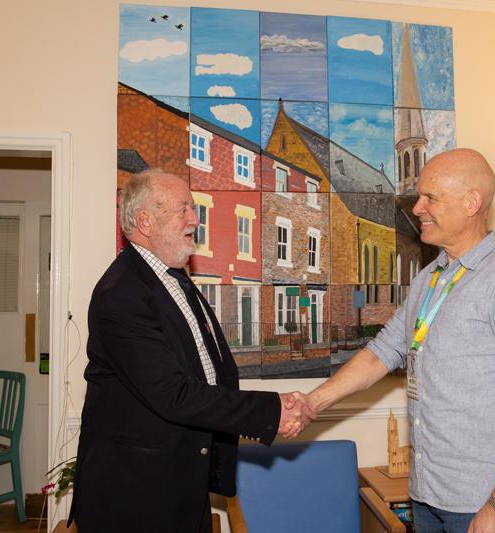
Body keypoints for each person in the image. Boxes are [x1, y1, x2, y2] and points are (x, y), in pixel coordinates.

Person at [307, 148, 495, 533]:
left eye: (430, 197)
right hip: (428, 496)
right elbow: (382, 352)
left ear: (471, 203)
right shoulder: (429, 278)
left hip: (484, 502)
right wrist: (312, 403)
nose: (417, 209)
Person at [69, 170, 314, 533]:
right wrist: (272, 410)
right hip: (135, 497)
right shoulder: (121, 294)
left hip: (182, 482)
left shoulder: (174, 277)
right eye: (183, 208)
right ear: (146, 222)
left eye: (192, 208)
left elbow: (207, 371)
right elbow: (175, 394)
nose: (194, 219)